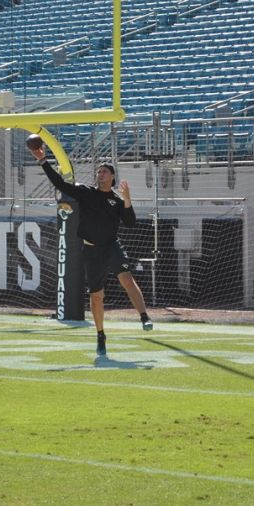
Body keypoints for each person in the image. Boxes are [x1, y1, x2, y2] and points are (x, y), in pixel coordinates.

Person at [29, 144, 153, 357]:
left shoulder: (116, 200)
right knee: (97, 297)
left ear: (112, 177)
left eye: (104, 171)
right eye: (99, 171)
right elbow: (59, 183)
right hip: (91, 250)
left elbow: (131, 222)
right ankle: (100, 334)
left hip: (111, 246)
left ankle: (144, 317)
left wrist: (127, 199)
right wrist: (42, 160)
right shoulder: (86, 193)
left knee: (127, 279)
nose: (100, 174)